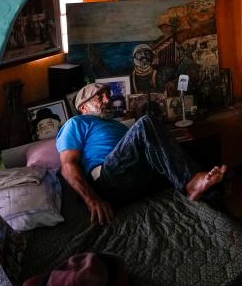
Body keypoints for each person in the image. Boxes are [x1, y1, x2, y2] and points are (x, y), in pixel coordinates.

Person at [56, 83, 226, 226]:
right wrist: (92, 200)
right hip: (109, 178)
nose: (107, 99)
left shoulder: (117, 125)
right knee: (145, 121)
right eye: (99, 97)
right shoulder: (76, 122)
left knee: (191, 149)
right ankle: (191, 183)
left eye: (107, 95)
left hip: (136, 176)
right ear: (83, 107)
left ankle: (212, 197)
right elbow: (67, 166)